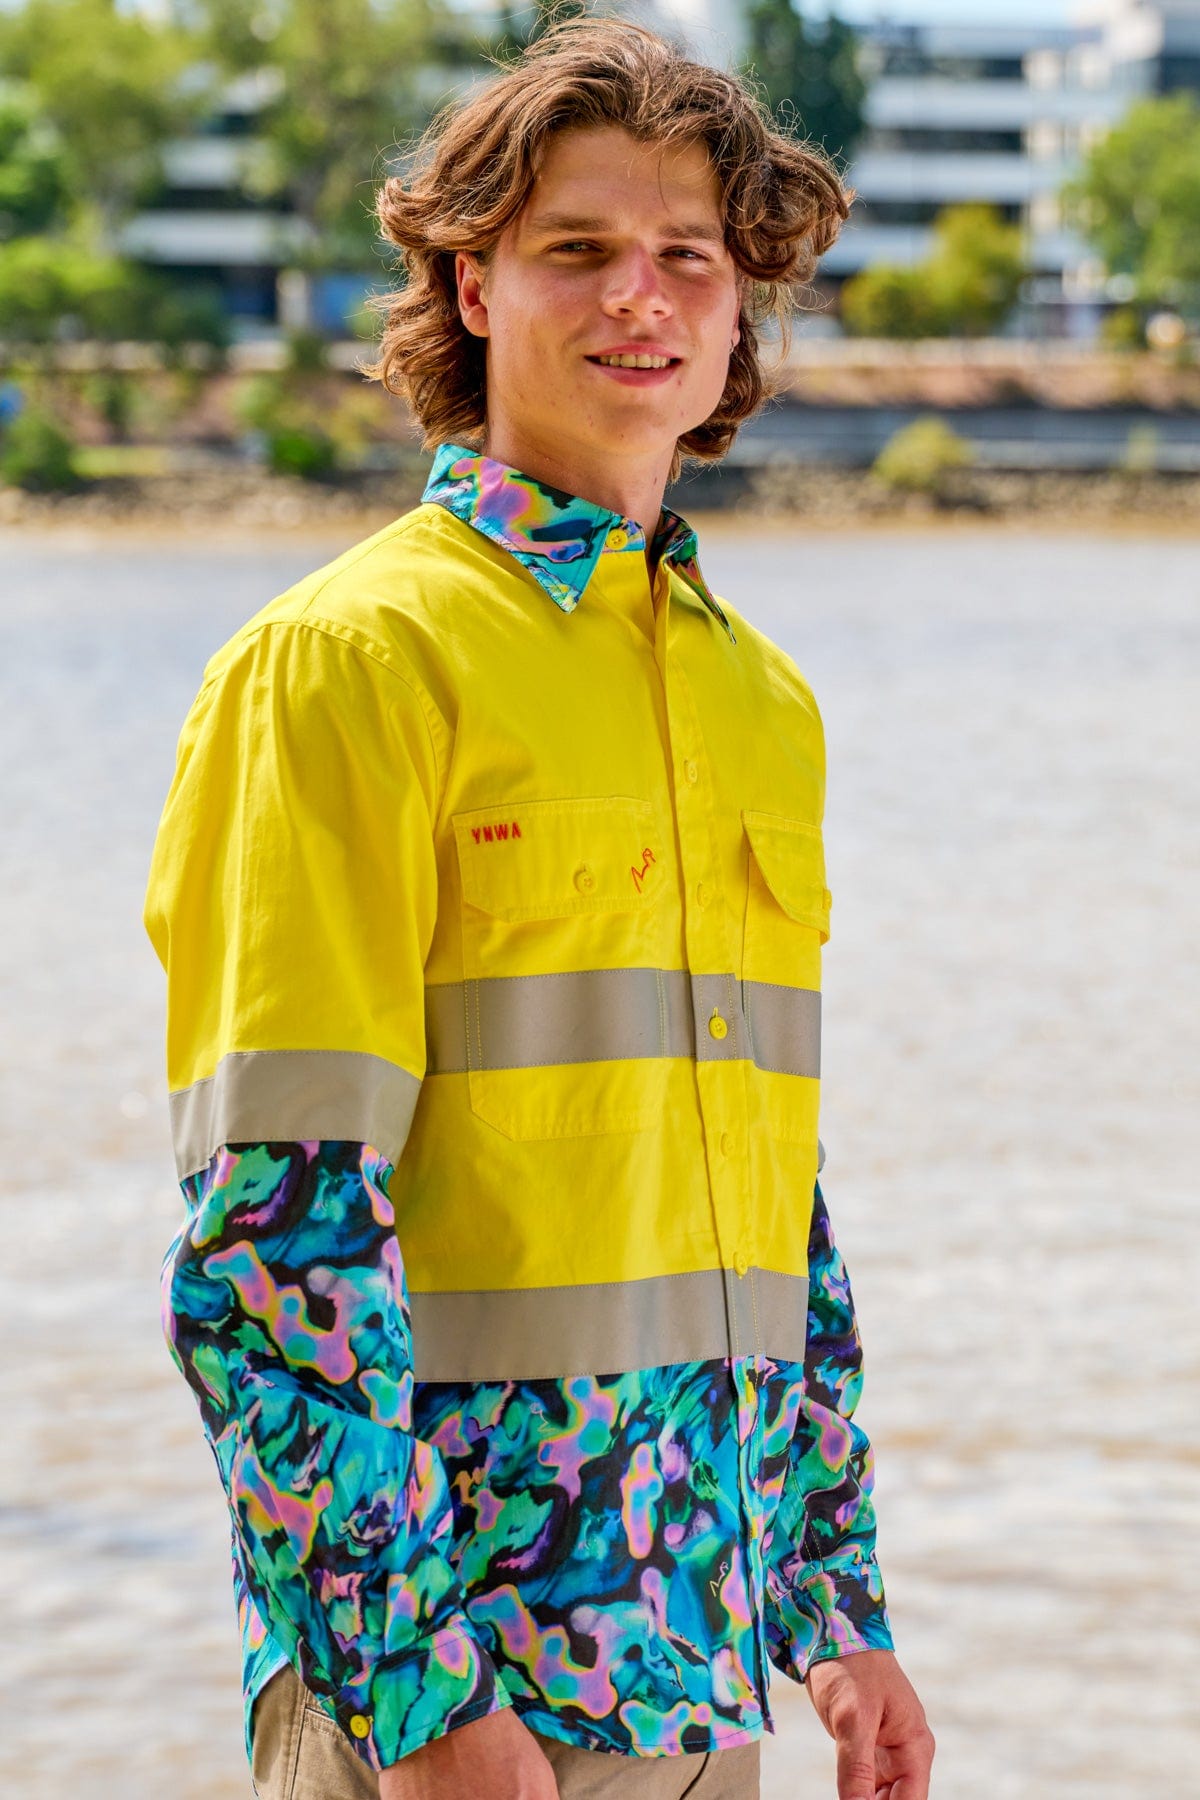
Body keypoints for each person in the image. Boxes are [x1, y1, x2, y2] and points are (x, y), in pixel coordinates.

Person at [145, 18, 934, 1800]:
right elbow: (273, 1241)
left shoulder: (762, 702)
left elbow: (760, 1210)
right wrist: (422, 1706)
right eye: (575, 250)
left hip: (704, 1679)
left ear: (745, 306)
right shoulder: (347, 665)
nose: (636, 299)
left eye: (688, 257)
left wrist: (839, 1606)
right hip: (469, 1702)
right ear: (472, 281)